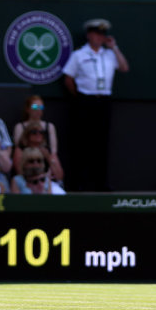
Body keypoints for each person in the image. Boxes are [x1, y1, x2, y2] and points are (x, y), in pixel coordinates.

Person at [62, 18, 129, 191]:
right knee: (83, 143)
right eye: (97, 34)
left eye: (103, 34)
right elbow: (68, 78)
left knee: (102, 143)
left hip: (104, 101)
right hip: (86, 100)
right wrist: (79, 97)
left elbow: (124, 67)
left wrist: (114, 46)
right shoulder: (79, 55)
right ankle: (80, 183)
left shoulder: (109, 54)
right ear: (89, 35)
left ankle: (101, 183)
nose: (100, 37)